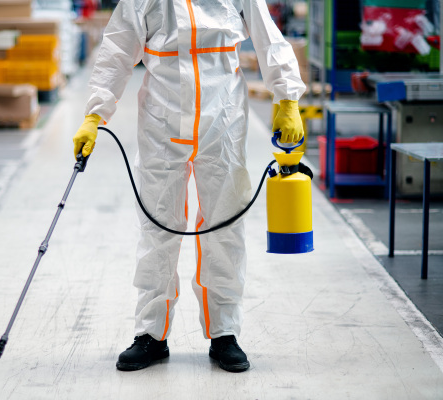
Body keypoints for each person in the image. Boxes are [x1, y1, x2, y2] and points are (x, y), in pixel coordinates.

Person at [73, 0, 305, 373]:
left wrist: (288, 97)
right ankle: (151, 334)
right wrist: (95, 114)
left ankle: (224, 333)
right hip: (162, 121)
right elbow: (117, 50)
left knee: (224, 227)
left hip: (222, 119)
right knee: (157, 226)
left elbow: (269, 39)